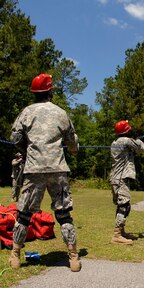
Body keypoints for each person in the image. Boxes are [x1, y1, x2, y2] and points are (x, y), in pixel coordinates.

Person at [9, 74, 81, 272]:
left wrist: (26, 150)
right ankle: (73, 257)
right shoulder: (61, 113)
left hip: (34, 170)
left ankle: (15, 254)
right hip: (58, 169)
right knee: (64, 213)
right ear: (50, 91)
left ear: (34, 92)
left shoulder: (26, 112)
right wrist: (73, 149)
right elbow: (73, 144)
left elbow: (14, 137)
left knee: (24, 213)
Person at [110, 120, 144, 245]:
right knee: (125, 206)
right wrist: (136, 138)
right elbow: (141, 148)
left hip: (116, 178)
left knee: (122, 205)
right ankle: (117, 235)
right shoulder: (125, 141)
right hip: (120, 179)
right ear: (126, 130)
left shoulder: (116, 141)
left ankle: (121, 232)